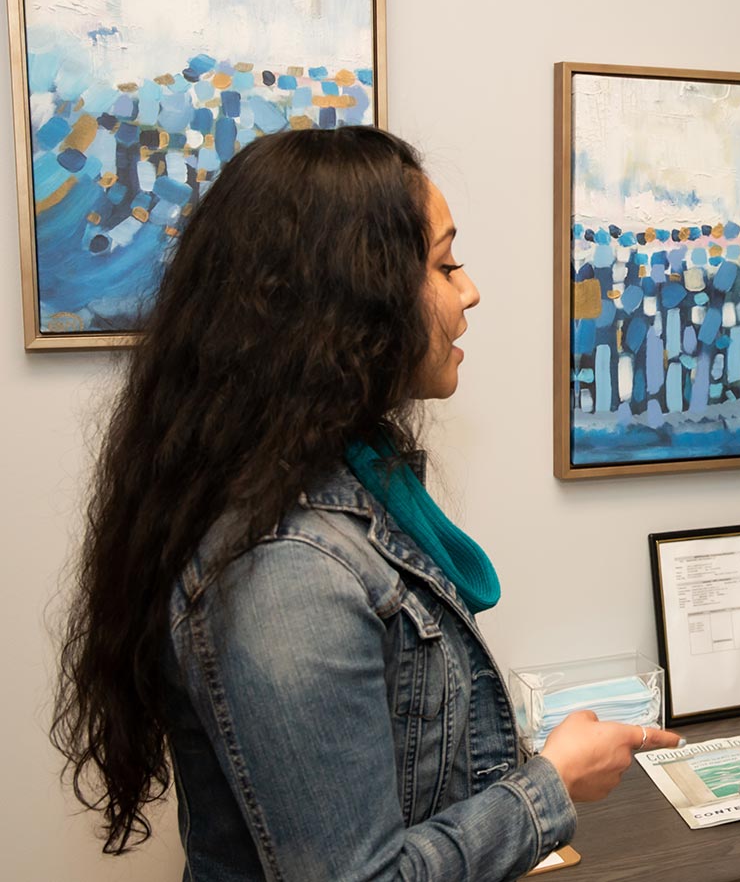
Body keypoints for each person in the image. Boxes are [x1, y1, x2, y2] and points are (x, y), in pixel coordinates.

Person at [50, 126, 681, 880]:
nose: (469, 290)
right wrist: (550, 785)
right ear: (353, 303)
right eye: (444, 265)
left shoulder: (347, 491)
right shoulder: (285, 573)